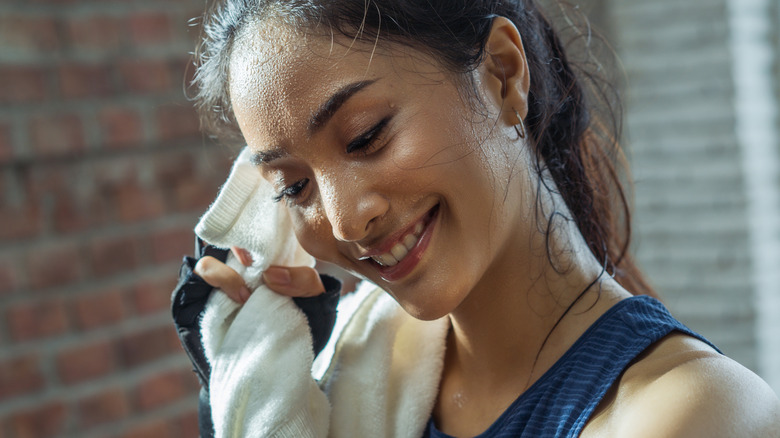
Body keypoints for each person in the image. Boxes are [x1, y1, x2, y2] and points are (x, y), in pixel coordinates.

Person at [171, 0, 780, 436]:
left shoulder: (688, 414)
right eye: (295, 186)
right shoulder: (347, 381)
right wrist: (245, 388)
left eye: (366, 136)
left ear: (502, 75)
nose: (347, 220)